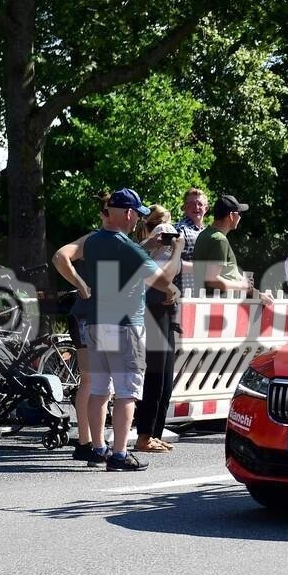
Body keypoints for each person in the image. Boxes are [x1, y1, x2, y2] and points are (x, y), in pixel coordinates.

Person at [83, 188, 181, 471]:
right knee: (127, 392)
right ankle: (119, 453)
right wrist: (175, 252)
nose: (138, 219)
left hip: (97, 321)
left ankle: (97, 447)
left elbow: (126, 262)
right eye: (137, 214)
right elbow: (162, 280)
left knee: (100, 390)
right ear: (128, 213)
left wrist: (147, 247)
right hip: (126, 324)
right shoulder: (127, 247)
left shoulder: (93, 242)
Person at [51, 194, 109, 463]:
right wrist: (81, 285)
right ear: (104, 214)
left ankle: (89, 441)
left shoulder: (117, 241)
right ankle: (89, 442)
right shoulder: (93, 239)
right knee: (92, 381)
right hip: (87, 315)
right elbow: (60, 256)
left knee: (93, 380)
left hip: (98, 316)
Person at [133, 206, 183, 453]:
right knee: (155, 376)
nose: (167, 233)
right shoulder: (149, 247)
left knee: (164, 376)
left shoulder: (152, 246)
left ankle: (154, 432)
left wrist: (175, 289)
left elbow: (172, 280)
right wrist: (177, 250)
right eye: (163, 228)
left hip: (162, 311)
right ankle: (144, 435)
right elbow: (167, 275)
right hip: (152, 310)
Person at [192, 194, 252, 294]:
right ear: (232, 216)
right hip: (219, 305)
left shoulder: (204, 234)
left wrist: (257, 293)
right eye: (239, 214)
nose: (240, 217)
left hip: (207, 302)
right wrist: (242, 286)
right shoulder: (219, 240)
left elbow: (227, 274)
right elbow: (212, 280)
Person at [174, 188, 208, 297]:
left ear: (206, 208)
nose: (196, 207)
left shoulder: (208, 232)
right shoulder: (179, 230)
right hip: (182, 296)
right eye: (191, 204)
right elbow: (169, 263)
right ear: (184, 208)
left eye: (200, 204)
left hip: (204, 295)